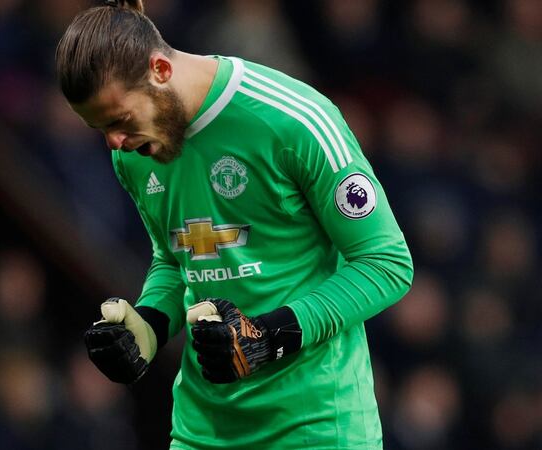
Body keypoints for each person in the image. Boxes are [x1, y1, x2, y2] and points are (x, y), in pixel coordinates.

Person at [55, 1, 414, 449]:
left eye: (119, 120)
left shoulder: (292, 120)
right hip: (202, 432)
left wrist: (272, 335)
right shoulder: (133, 150)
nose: (113, 142)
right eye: (99, 129)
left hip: (317, 428)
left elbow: (386, 263)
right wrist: (149, 325)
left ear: (161, 69)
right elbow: (178, 255)